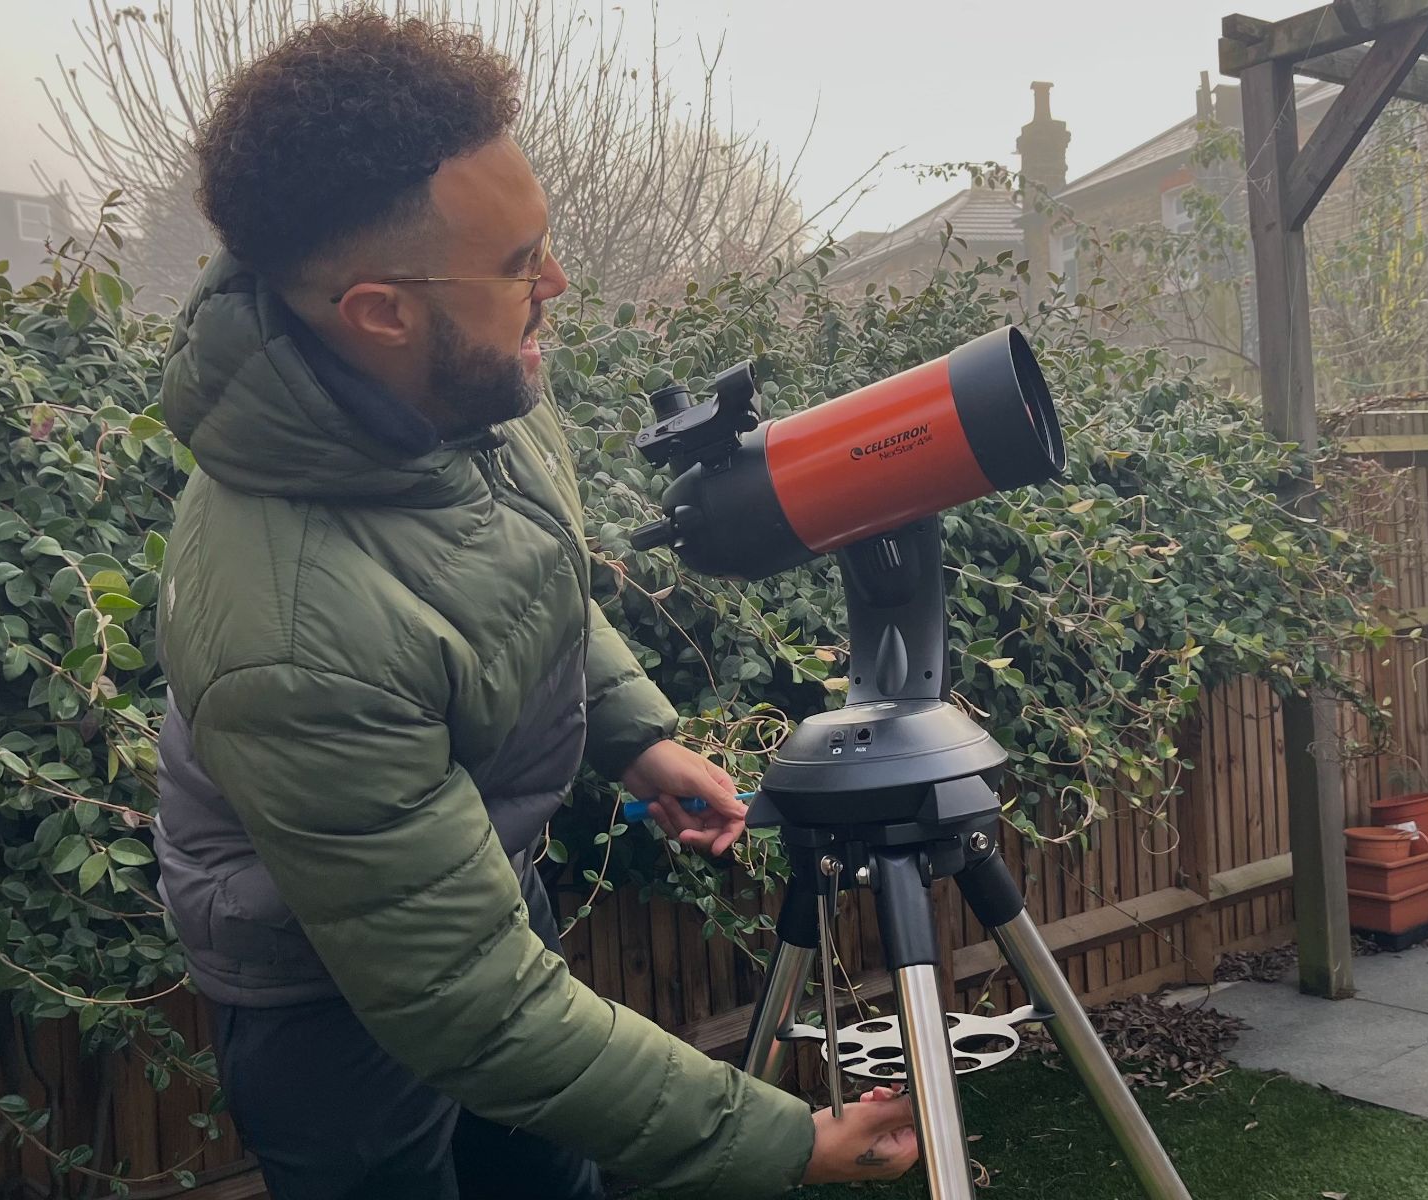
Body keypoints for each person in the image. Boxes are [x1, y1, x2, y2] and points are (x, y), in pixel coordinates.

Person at [149, 10, 917, 1199]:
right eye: (520, 264)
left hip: (469, 895)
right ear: (379, 310)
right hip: (329, 1002)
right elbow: (474, 1006)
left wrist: (636, 735)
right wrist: (782, 1143)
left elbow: (507, 574)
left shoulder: (462, 382)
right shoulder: (294, 636)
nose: (555, 283)